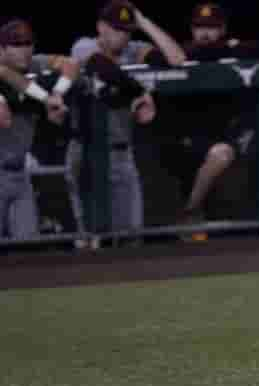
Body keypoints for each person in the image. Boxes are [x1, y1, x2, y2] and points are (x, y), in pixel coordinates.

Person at [70, 0, 185, 235]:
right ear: (101, 27)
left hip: (123, 153)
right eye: (116, 29)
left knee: (132, 233)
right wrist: (139, 92)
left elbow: (176, 60)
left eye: (126, 30)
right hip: (86, 152)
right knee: (91, 235)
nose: (122, 36)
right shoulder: (84, 46)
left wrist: (144, 22)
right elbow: (102, 68)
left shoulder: (134, 50)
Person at [155, 3, 259, 238]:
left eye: (211, 28)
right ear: (192, 29)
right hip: (181, 138)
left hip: (220, 137)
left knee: (222, 154)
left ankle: (190, 209)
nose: (205, 34)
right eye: (199, 28)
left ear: (223, 28)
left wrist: (225, 48)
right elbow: (184, 54)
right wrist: (226, 47)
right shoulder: (183, 53)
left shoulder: (232, 51)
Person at [0, 19, 77, 239]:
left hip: (19, 173)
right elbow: (7, 76)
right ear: (2, 48)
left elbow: (71, 64)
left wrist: (58, 93)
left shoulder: (33, 64)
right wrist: (46, 99)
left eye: (28, 44)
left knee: (27, 245)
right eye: (16, 45)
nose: (24, 50)